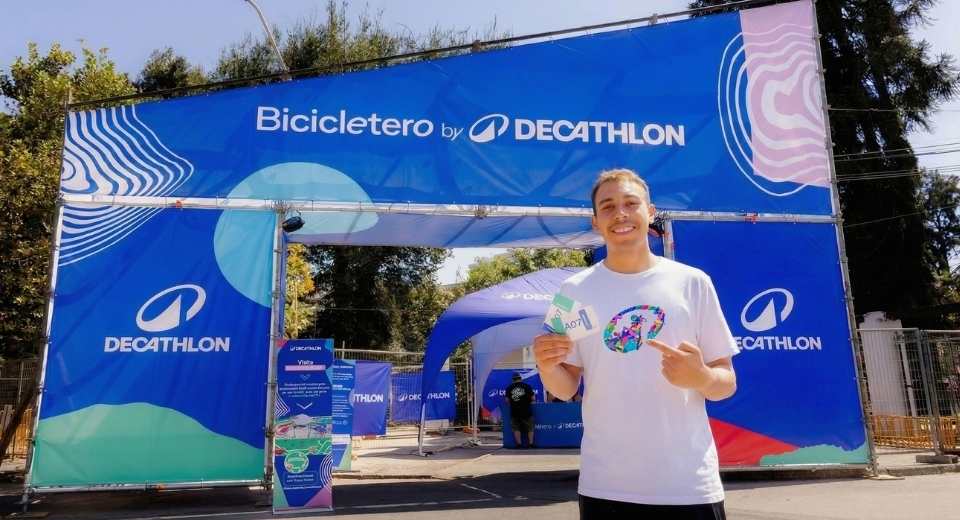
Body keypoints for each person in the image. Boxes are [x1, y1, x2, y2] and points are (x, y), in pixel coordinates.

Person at [533, 169, 738, 519]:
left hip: (687, 485)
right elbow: (565, 388)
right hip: (605, 486)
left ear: (650, 212)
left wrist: (702, 377)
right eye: (608, 206)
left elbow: (727, 382)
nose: (620, 214)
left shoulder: (693, 282)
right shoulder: (571, 292)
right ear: (595, 221)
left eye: (631, 203)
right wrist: (546, 365)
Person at [504, 373, 536, 448]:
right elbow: (533, 398)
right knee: (530, 428)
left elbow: (506, 400)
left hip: (515, 411)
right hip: (527, 411)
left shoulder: (509, 388)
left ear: (513, 380)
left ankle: (519, 444)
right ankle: (531, 444)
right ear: (521, 379)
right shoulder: (527, 386)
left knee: (516, 428)